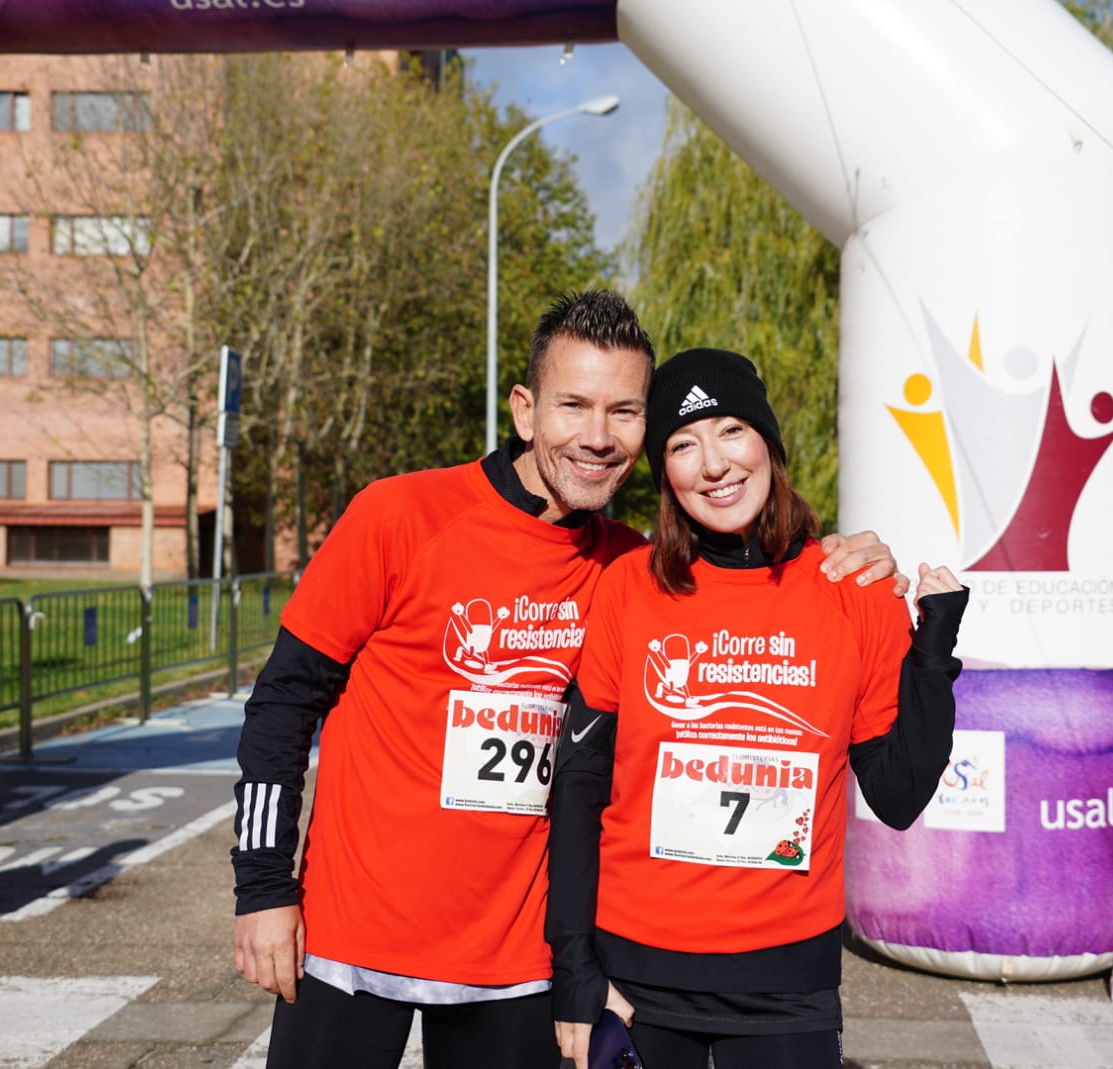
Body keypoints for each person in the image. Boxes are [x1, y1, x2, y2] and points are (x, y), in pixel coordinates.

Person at [229, 292, 905, 1069]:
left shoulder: (632, 568)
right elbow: (282, 702)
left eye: (623, 412)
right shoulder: (399, 516)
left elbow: (756, 589)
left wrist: (852, 559)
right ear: (525, 410)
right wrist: (263, 888)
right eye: (573, 405)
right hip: (353, 939)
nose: (596, 437)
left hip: (516, 964)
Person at [546, 347, 969, 1069]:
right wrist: (576, 970)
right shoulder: (628, 589)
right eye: (683, 444)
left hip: (787, 983)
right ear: (665, 473)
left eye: (731, 430)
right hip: (638, 978)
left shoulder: (855, 590)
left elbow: (898, 795)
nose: (713, 464)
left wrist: (932, 648)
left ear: (768, 443)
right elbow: (579, 791)